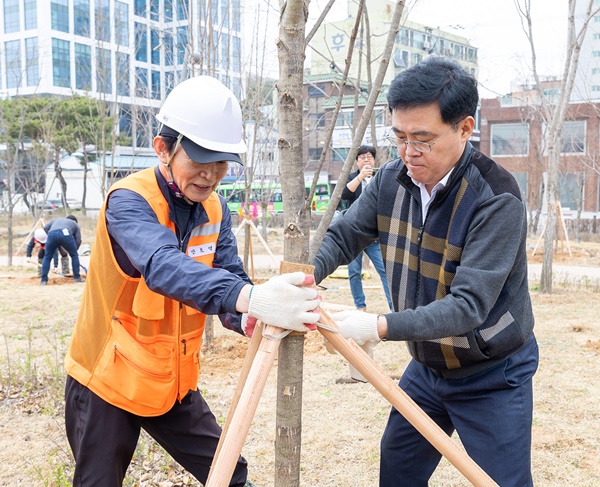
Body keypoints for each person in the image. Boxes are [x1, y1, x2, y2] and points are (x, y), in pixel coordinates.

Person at [63, 75, 321, 487]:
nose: (211, 174)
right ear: (163, 149)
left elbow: (230, 276)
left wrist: (249, 316)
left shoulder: (215, 209)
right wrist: (248, 297)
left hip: (170, 379)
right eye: (200, 160)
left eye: (221, 163)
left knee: (229, 472)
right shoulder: (128, 201)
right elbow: (163, 266)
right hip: (107, 380)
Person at [314, 57, 538, 487]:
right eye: (399, 137)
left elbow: (467, 306)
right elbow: (342, 236)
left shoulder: (496, 198)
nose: (408, 152)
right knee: (398, 467)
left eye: (422, 139)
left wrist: (377, 326)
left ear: (465, 128)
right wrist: (304, 276)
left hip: (491, 371)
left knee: (503, 482)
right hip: (428, 367)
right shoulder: (390, 181)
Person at [341, 145, 393, 313]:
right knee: (354, 272)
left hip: (374, 236)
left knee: (385, 271)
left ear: (374, 160)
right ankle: (360, 306)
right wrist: (360, 177)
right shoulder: (352, 178)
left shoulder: (380, 177)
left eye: (369, 157)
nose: (366, 160)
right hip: (353, 234)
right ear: (357, 161)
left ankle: (394, 307)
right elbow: (344, 195)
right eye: (362, 157)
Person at [40, 215, 83, 285]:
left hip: (51, 233)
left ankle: (43, 280)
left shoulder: (56, 219)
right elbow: (78, 240)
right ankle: (77, 278)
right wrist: (74, 249)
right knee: (74, 255)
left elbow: (45, 228)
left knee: (47, 257)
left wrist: (52, 236)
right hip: (66, 234)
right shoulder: (75, 224)